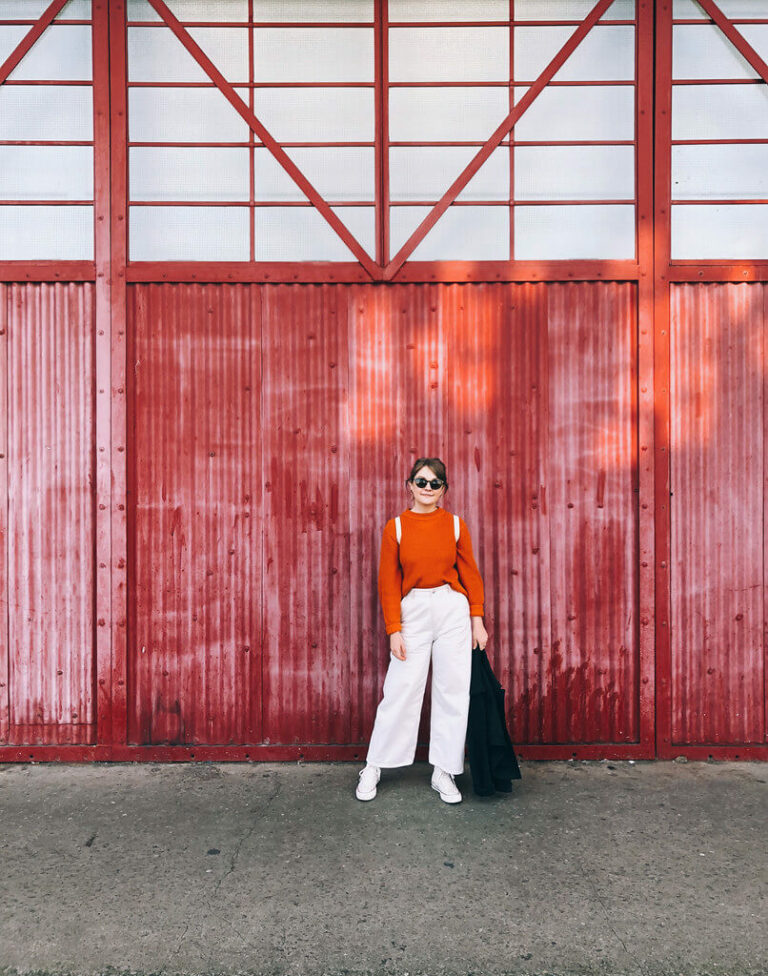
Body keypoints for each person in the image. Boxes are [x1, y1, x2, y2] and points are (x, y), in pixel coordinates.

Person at [356, 457, 487, 804]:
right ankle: (374, 765)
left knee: (453, 691)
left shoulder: (456, 525)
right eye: (421, 481)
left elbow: (470, 574)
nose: (427, 488)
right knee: (400, 688)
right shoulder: (395, 528)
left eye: (435, 483)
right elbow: (388, 582)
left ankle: (444, 771)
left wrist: (477, 618)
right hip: (412, 609)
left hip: (451, 610)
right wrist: (394, 629)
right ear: (409, 485)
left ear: (443, 489)